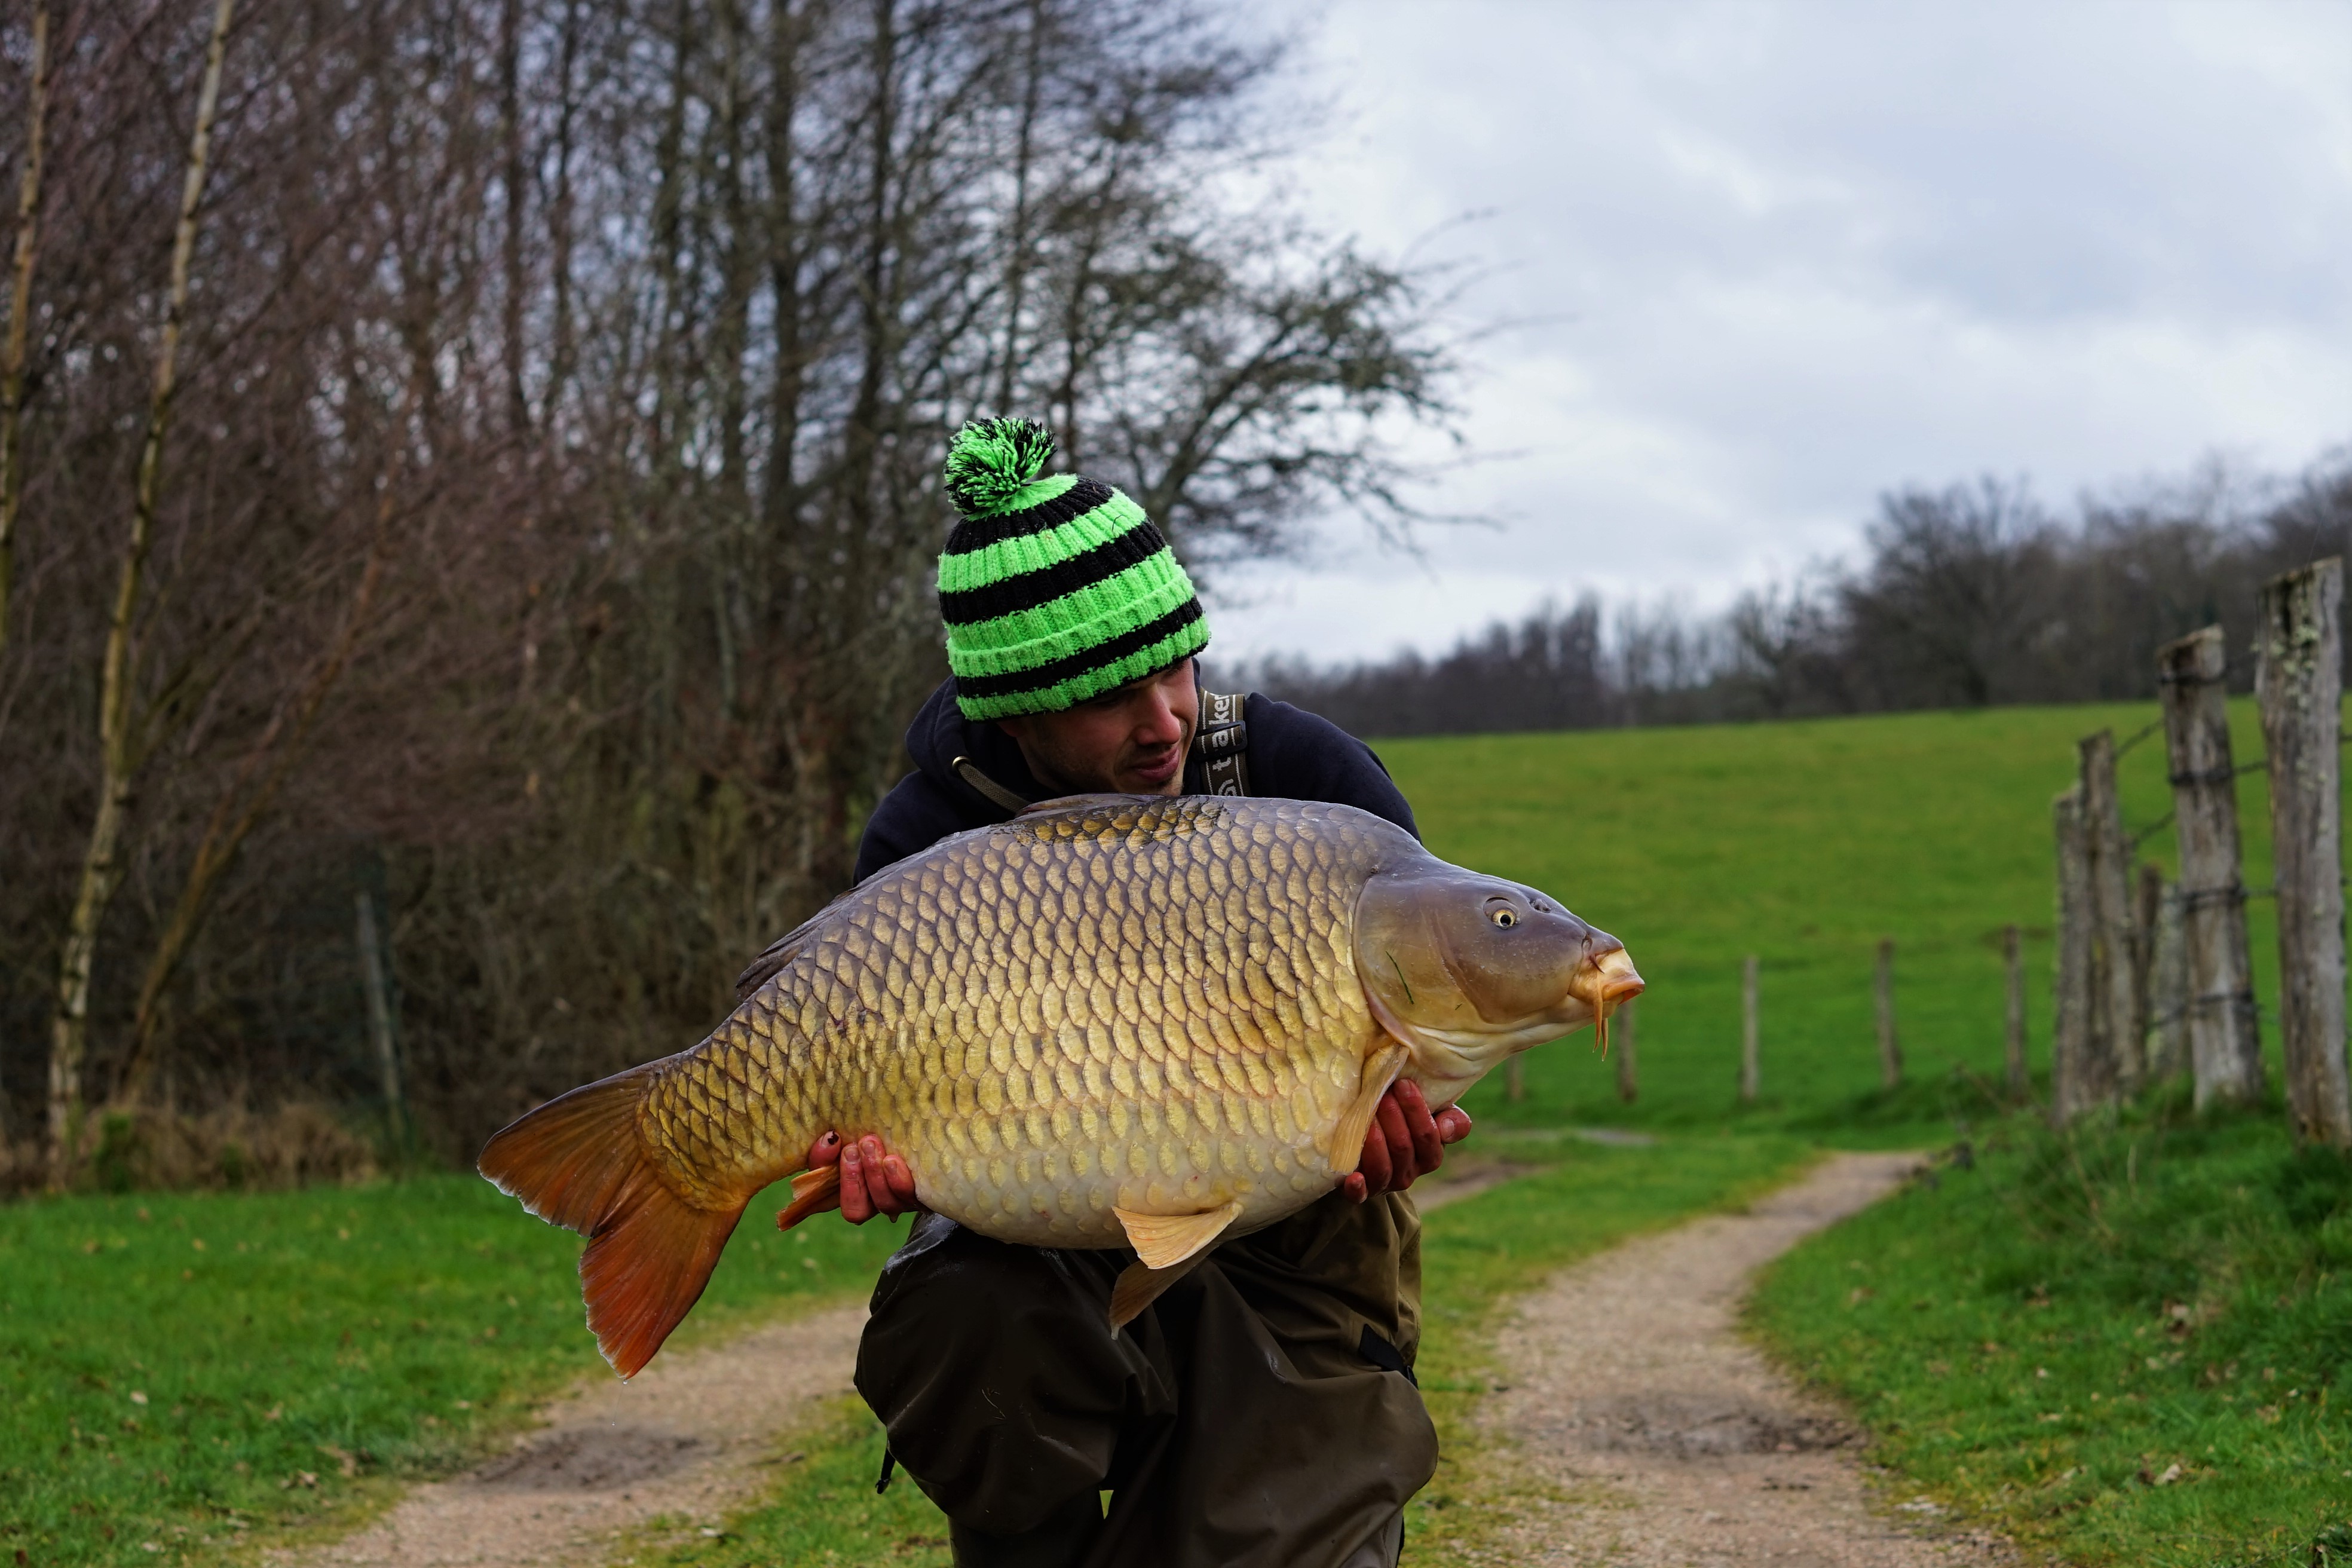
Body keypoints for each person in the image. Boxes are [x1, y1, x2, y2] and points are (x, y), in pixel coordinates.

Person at [739, 418, 1471, 1568]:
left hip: (1297, 1247)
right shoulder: (924, 837)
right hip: (1040, 1241)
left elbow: (1415, 1031)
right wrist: (872, 1159)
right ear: (1016, 712)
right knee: (970, 1322)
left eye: (1177, 667)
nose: (1165, 719)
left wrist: (1392, 1125)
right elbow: (893, 1116)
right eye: (1111, 697)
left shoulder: (1310, 783)